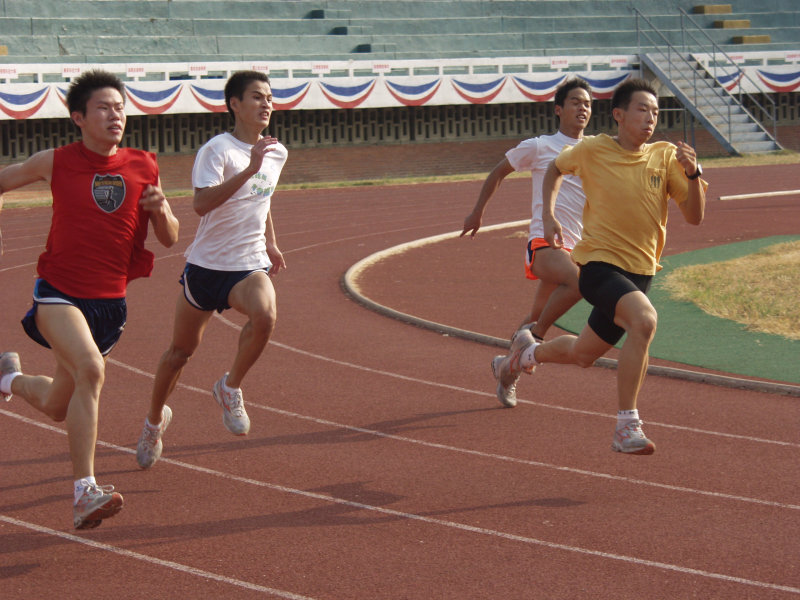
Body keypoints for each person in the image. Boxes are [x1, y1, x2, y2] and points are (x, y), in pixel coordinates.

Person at [0, 70, 180, 528]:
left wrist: (161, 211)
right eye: (104, 107)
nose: (115, 114)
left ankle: (9, 380)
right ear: (78, 118)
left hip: (110, 303)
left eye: (120, 107)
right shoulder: (56, 161)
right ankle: (85, 492)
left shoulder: (144, 164)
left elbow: (170, 239)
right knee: (91, 369)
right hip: (58, 294)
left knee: (59, 403)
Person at [492, 78, 707, 455]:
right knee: (644, 321)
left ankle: (520, 358)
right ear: (619, 115)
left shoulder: (666, 156)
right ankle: (627, 425)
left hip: (641, 272)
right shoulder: (593, 149)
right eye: (643, 110)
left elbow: (694, 217)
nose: (650, 118)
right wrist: (550, 215)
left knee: (583, 354)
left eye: (656, 112)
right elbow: (556, 169)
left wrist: (693, 175)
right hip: (599, 266)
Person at [135, 70, 288, 470]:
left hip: (247, 264)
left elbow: (263, 199)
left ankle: (229, 386)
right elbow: (202, 205)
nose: (266, 104)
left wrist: (270, 241)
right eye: (257, 97)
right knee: (179, 353)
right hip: (205, 267)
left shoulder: (277, 152)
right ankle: (153, 422)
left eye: (270, 97)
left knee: (266, 314)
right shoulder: (216, 150)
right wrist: (250, 169)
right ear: (234, 104)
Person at [461, 78, 592, 407]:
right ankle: (526, 346)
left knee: (536, 319)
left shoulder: (595, 150)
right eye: (576, 102)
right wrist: (478, 212)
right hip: (545, 242)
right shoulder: (539, 146)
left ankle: (507, 370)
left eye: (588, 104)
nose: (583, 108)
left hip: (580, 247)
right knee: (578, 284)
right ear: (559, 110)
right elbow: (498, 172)